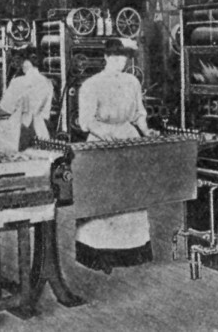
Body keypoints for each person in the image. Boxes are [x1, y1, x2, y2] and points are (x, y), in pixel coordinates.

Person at [75, 37, 156, 274]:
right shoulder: (91, 84)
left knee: (131, 197)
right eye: (116, 56)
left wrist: (146, 131)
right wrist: (105, 134)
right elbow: (86, 121)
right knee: (104, 199)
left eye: (125, 57)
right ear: (106, 57)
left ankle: (133, 251)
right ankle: (98, 254)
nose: (121, 61)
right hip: (102, 143)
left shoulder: (132, 82)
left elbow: (138, 114)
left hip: (129, 139)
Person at [0, 46, 54, 149]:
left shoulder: (18, 82)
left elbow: (5, 110)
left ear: (24, 62)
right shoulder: (47, 83)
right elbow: (45, 114)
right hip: (41, 132)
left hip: (19, 133)